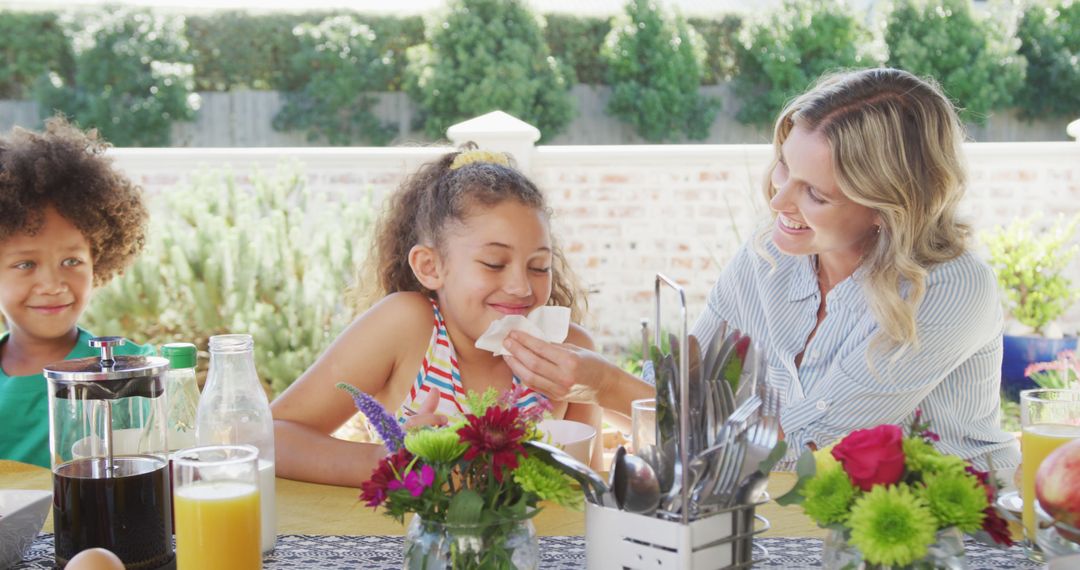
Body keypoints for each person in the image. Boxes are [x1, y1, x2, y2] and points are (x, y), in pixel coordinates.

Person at [503, 68, 1021, 474]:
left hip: (951, 533)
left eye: (815, 193)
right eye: (783, 168)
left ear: (890, 207)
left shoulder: (948, 288)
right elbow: (692, 394)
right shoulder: (767, 258)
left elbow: (802, 447)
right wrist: (590, 382)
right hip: (804, 519)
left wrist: (604, 385)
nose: (778, 199)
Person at [272, 148, 603, 487]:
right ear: (430, 267)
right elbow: (271, 437)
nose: (521, 287)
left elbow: (585, 496)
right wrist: (390, 462)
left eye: (539, 267)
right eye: (493, 263)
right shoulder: (406, 327)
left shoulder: (572, 354)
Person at [0, 118, 155, 467]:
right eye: (26, 264)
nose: (53, 285)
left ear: (98, 259)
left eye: (72, 260)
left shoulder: (132, 376)